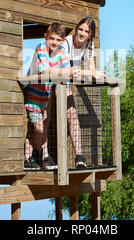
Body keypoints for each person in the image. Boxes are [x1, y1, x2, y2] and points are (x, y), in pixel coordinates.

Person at [23, 22, 71, 170]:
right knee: (38, 128)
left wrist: (65, 72)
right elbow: (44, 70)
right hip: (33, 95)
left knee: (39, 127)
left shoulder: (62, 51)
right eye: (52, 39)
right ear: (46, 37)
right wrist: (62, 72)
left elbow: (67, 70)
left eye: (58, 40)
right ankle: (36, 153)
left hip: (45, 95)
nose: (54, 42)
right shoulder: (41, 47)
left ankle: (28, 156)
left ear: (63, 41)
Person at [64, 17, 106, 168]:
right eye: (80, 29)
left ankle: (79, 156)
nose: (82, 33)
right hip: (53, 78)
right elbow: (65, 70)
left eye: (86, 31)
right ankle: (40, 156)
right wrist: (89, 74)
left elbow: (91, 70)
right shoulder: (66, 43)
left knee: (72, 113)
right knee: (46, 118)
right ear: (76, 29)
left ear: (90, 35)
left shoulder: (88, 46)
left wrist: (97, 73)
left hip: (65, 81)